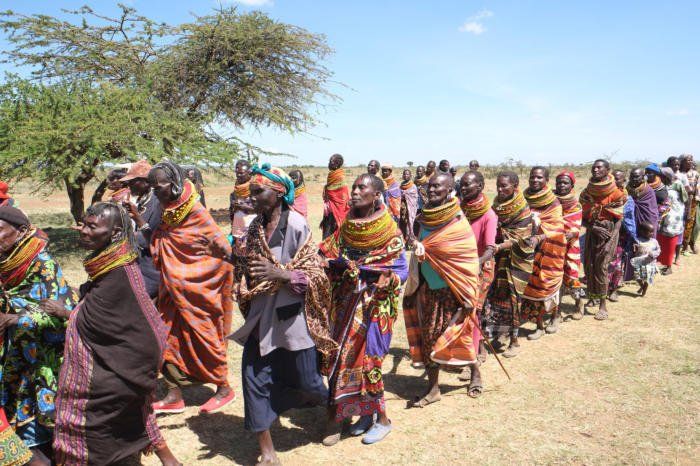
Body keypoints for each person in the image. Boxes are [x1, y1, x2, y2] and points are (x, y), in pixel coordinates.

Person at [207, 164, 337, 465]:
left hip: (293, 319)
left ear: (278, 193)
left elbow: (317, 274)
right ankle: (267, 451)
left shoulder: (297, 225)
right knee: (253, 377)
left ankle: (332, 408)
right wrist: (227, 257)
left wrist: (282, 274)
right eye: (251, 192)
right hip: (261, 316)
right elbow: (250, 266)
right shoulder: (255, 227)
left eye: (258, 191)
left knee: (309, 383)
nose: (251, 197)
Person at [52, 203, 180, 466]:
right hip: (121, 358)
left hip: (125, 362)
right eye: (84, 224)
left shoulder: (119, 271)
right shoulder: (110, 263)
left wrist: (67, 313)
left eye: (92, 226)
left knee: (90, 415)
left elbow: (96, 318)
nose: (83, 230)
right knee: (133, 415)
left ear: (115, 233)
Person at [319, 173, 407, 446]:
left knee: (370, 362)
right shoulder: (347, 226)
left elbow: (400, 270)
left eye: (362, 188)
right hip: (346, 302)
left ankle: (383, 420)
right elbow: (330, 252)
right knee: (342, 360)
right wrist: (327, 263)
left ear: (377, 195)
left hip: (375, 305)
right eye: (354, 187)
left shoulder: (390, 231)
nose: (355, 192)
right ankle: (360, 415)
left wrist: (387, 279)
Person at [149, 161, 235, 414]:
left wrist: (197, 275)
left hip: (199, 291)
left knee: (205, 337)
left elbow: (223, 250)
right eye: (152, 188)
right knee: (164, 337)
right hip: (172, 292)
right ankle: (174, 395)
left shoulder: (195, 211)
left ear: (174, 184)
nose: (155, 192)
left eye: (159, 186)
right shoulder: (168, 210)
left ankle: (224, 388)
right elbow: (165, 241)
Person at [0, 207, 77, 465]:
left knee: (41, 426)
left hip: (42, 359)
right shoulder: (6, 261)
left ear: (21, 231)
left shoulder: (43, 264)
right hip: (13, 356)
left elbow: (63, 311)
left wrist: (15, 319)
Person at [403, 173, 481, 403]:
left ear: (449, 190)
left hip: (452, 291)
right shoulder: (425, 217)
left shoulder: (457, 221)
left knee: (457, 336)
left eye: (438, 186)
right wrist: (418, 247)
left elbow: (467, 259)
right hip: (428, 289)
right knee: (429, 337)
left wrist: (467, 294)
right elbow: (420, 244)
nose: (432, 190)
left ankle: (475, 372)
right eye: (430, 186)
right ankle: (433, 389)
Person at [486, 171, 535, 357]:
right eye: (498, 186)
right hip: (499, 258)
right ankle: (499, 333)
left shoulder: (522, 208)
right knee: (497, 297)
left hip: (517, 260)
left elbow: (520, 237)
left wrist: (498, 245)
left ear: (515, 186)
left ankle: (514, 341)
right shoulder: (496, 205)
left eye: (504, 186)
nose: (500, 189)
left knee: (513, 300)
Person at [520, 167, 566, 338]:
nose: (535, 180)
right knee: (531, 287)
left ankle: (554, 316)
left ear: (547, 180)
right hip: (528, 249)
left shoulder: (553, 202)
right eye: (532, 177)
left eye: (539, 177)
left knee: (548, 285)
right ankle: (538, 325)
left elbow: (557, 227)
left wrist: (539, 236)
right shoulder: (523, 199)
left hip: (550, 250)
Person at [580, 160, 627, 320]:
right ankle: (592, 297)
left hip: (609, 234)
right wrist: (593, 227)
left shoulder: (617, 193)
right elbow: (581, 217)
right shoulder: (586, 192)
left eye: (599, 167)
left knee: (602, 268)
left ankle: (603, 305)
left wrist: (611, 240)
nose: (595, 169)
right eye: (594, 167)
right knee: (589, 266)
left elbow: (619, 219)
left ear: (608, 170)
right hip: (592, 232)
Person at [459, 171, 497, 364]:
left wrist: (476, 263)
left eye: (468, 184)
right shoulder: (460, 210)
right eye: (462, 184)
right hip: (461, 267)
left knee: (474, 311)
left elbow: (490, 249)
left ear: (480, 186)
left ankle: (471, 360)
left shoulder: (489, 215)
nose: (463, 188)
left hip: (481, 267)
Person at [120, 160, 162, 299]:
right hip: (140, 264)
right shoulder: (143, 201)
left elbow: (150, 240)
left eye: (133, 181)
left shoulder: (157, 202)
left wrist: (136, 219)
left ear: (145, 181)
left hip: (153, 271)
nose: (129, 185)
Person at [554, 171, 585, 319]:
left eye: (565, 183)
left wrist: (571, 233)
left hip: (570, 247)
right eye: (559, 182)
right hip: (553, 246)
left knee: (572, 277)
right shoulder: (550, 201)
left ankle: (579, 303)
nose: (562, 185)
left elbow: (576, 227)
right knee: (555, 278)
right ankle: (557, 311)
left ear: (572, 185)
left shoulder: (576, 205)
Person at [622, 168, 658, 282]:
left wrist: (647, 226)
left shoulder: (648, 191)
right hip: (631, 222)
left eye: (637, 176)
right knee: (631, 247)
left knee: (644, 249)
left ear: (643, 177)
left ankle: (644, 275)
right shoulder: (627, 189)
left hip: (645, 223)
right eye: (632, 176)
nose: (634, 178)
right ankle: (630, 273)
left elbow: (651, 211)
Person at [657, 167, 687, 275]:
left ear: (666, 177)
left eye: (661, 176)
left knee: (670, 244)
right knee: (662, 241)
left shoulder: (673, 189)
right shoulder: (670, 186)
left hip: (672, 220)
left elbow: (672, 204)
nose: (659, 177)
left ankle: (669, 266)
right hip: (670, 219)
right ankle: (663, 263)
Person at [605, 169, 630, 302]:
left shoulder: (626, 196)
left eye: (618, 178)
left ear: (624, 181)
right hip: (605, 232)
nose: (614, 180)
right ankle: (602, 289)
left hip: (621, 234)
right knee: (603, 262)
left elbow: (629, 216)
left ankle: (613, 289)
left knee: (617, 264)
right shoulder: (605, 193)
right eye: (612, 178)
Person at [321, 154, 350, 239]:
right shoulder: (331, 175)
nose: (328, 164)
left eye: (331, 162)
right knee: (327, 235)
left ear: (337, 164)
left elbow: (342, 195)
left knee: (334, 234)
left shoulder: (340, 177)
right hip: (329, 210)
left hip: (337, 211)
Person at [630, 221, 660, 297]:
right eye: (650, 232)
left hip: (650, 264)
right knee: (637, 277)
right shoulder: (638, 240)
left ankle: (644, 290)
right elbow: (634, 249)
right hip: (639, 263)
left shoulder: (654, 241)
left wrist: (653, 254)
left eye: (652, 232)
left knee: (647, 278)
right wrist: (634, 249)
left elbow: (658, 250)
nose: (652, 233)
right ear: (642, 232)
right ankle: (642, 286)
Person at [230, 159, 257, 239]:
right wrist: (234, 206)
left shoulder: (256, 188)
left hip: (253, 229)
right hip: (237, 229)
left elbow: (260, 210)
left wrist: (243, 207)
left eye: (241, 173)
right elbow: (232, 211)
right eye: (237, 173)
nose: (238, 175)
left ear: (249, 173)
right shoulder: (236, 190)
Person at [680, 154, 698, 254]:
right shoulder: (678, 173)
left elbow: (698, 187)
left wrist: (695, 198)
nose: (690, 162)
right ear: (682, 162)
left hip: (692, 201)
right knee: (680, 221)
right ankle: (678, 243)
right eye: (688, 160)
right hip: (680, 201)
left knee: (690, 222)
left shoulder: (695, 174)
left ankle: (686, 244)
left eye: (691, 160)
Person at [399, 168, 419, 244]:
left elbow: (414, 198)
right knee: (403, 224)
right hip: (402, 209)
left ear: (410, 176)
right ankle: (404, 240)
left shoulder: (413, 186)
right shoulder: (401, 186)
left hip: (410, 209)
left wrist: (405, 195)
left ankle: (411, 241)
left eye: (407, 174)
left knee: (410, 224)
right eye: (404, 174)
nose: (405, 175)